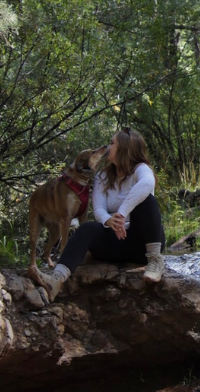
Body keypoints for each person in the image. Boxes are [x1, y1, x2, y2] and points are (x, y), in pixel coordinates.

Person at [36, 127, 166, 303]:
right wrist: (109, 220)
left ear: (125, 148)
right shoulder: (103, 176)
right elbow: (98, 210)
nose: (108, 146)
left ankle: (155, 261)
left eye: (112, 143)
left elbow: (147, 184)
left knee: (147, 202)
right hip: (115, 242)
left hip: (141, 244)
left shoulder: (141, 169)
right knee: (87, 228)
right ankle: (56, 280)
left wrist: (121, 213)